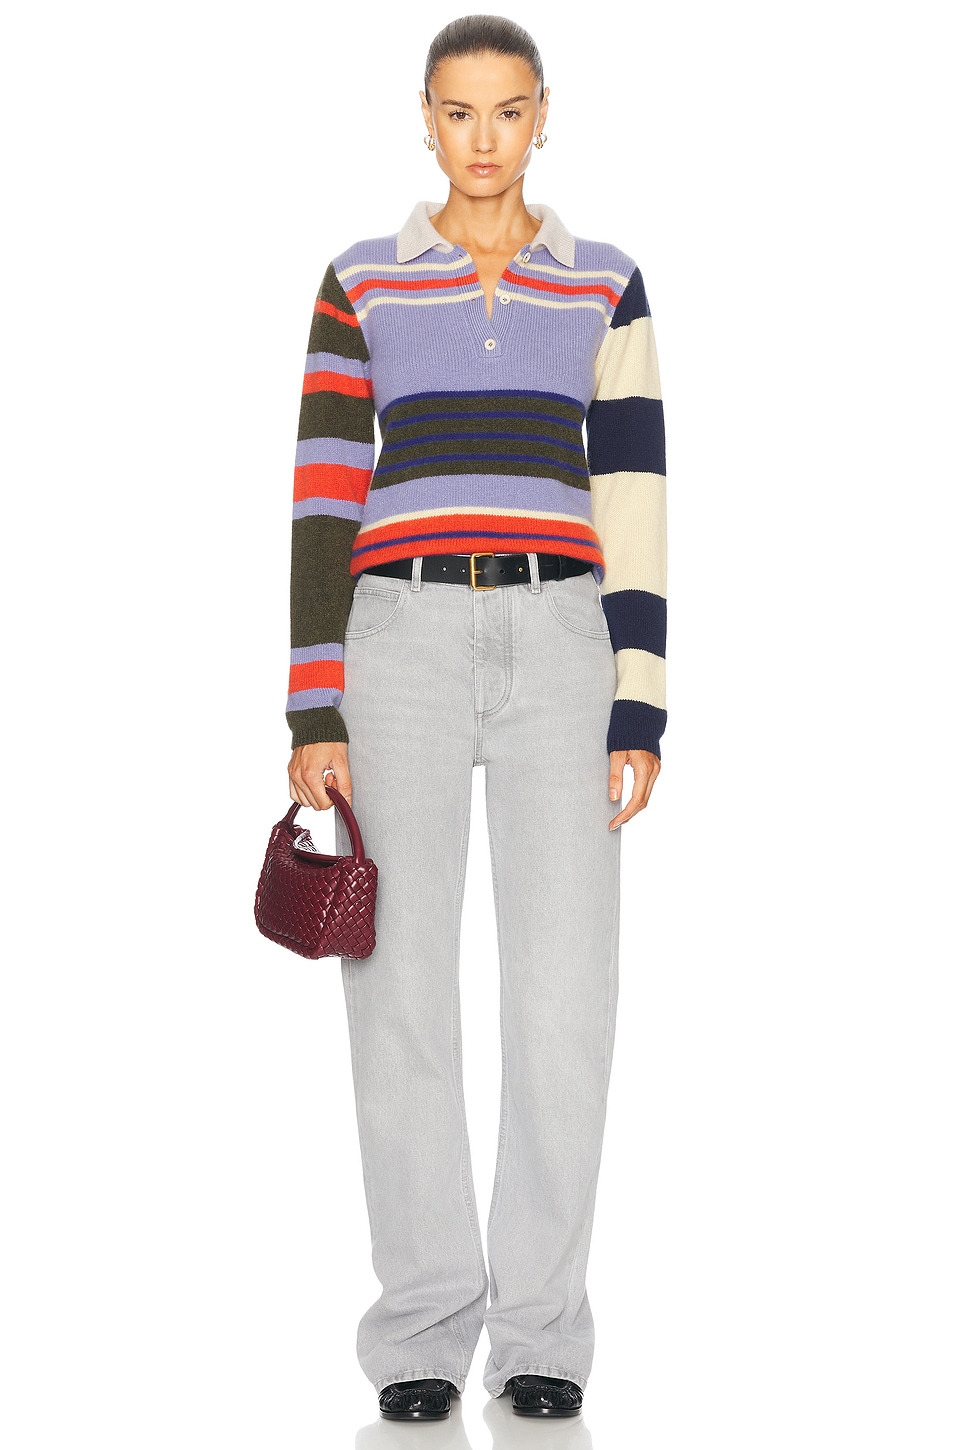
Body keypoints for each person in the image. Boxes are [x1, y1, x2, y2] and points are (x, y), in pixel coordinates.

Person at [284, 13, 667, 1423]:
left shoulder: (605, 284)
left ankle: (544, 1330)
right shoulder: (363, 280)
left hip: (564, 639)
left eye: (509, 111)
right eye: (460, 112)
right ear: (427, 118)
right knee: (399, 995)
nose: (485, 138)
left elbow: (633, 494)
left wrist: (641, 698)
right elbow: (327, 488)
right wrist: (313, 699)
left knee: (567, 997)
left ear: (544, 114)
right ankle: (422, 1334)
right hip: (403, 641)